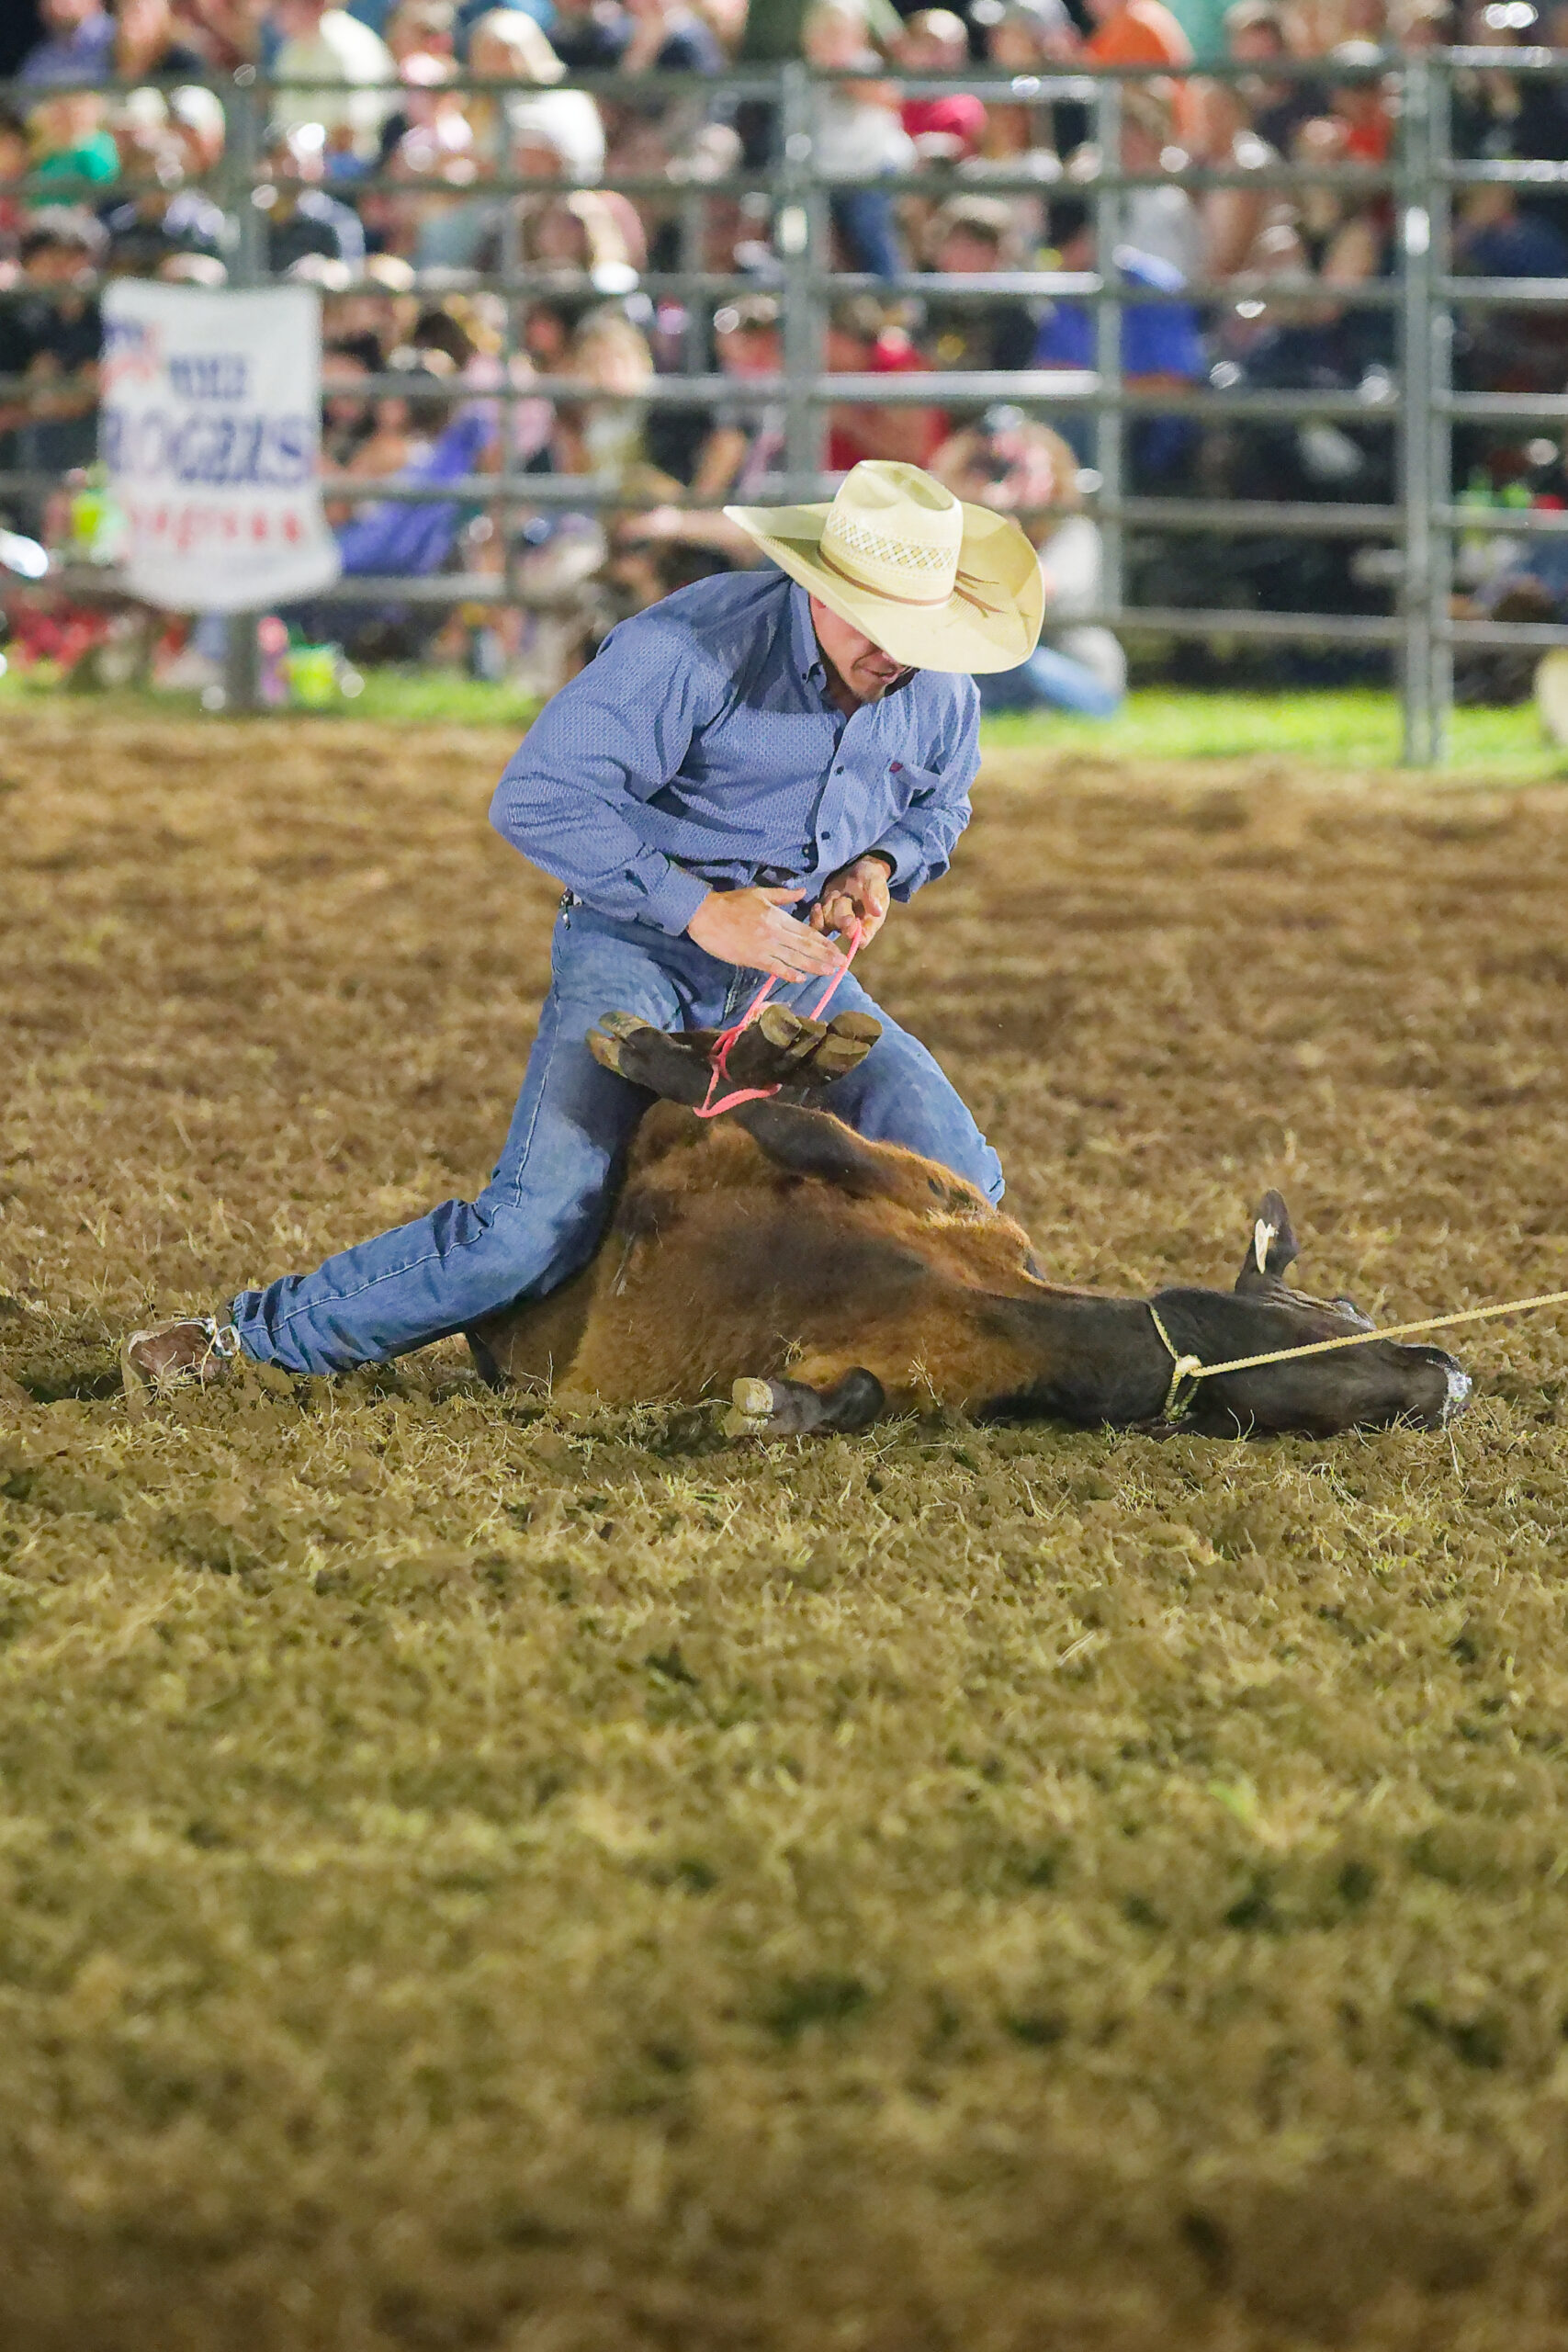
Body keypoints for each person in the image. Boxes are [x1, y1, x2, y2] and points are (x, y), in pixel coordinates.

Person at [120, 459, 1046, 1390]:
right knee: (534, 1222)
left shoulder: (937, 691)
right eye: (877, 623)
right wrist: (699, 909)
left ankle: (901, 1358)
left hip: (792, 961)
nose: (897, 651)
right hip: (638, 946)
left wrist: (878, 864)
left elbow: (939, 806)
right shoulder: (692, 649)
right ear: (814, 586)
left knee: (960, 1177)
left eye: (916, 630)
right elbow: (538, 798)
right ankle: (249, 1341)